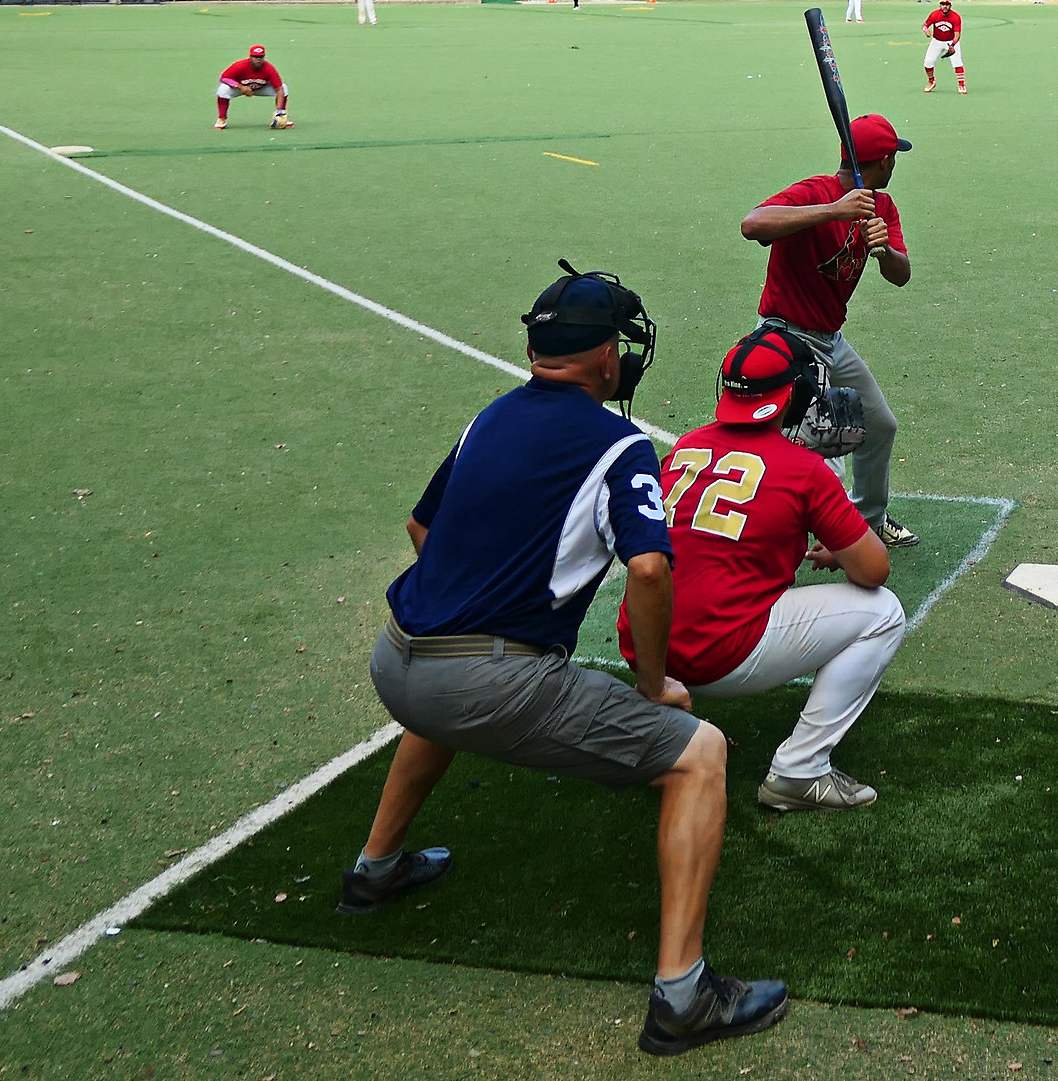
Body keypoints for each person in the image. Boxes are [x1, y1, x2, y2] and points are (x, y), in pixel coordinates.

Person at [341, 264, 788, 1057]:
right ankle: (684, 994)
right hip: (488, 682)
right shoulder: (620, 444)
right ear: (609, 358)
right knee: (700, 753)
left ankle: (375, 869)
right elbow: (651, 568)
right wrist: (654, 686)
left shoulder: (489, 418)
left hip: (397, 664)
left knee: (441, 707)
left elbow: (421, 529)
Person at [622, 324, 902, 812]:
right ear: (797, 394)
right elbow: (874, 570)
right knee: (883, 612)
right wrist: (845, 542)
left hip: (647, 649)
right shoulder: (803, 468)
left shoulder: (686, 446)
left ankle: (654, 721)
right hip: (720, 654)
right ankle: (800, 769)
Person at [740, 115, 918, 549]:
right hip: (786, 340)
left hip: (830, 340)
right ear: (887, 159)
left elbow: (902, 275)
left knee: (879, 426)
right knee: (812, 447)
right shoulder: (815, 193)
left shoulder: (882, 207)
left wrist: (884, 250)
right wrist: (835, 211)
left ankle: (867, 522)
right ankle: (767, 532)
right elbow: (752, 225)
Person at [215, 44, 292, 130]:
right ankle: (222, 119)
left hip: (261, 88)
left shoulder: (269, 68)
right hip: (241, 89)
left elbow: (279, 89)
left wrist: (279, 110)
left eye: (261, 57)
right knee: (223, 89)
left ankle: (281, 115)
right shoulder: (240, 65)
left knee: (284, 88)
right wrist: (240, 87)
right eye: (255, 57)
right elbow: (223, 77)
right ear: (250, 57)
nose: (258, 59)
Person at [923, 0, 964, 93]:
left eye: (947, 4)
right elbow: (925, 25)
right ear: (940, 5)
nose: (944, 6)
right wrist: (926, 30)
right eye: (942, 4)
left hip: (950, 42)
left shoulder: (955, 17)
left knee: (957, 63)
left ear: (950, 5)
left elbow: (957, 33)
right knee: (928, 62)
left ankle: (961, 85)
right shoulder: (934, 15)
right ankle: (931, 81)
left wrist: (953, 45)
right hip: (937, 41)